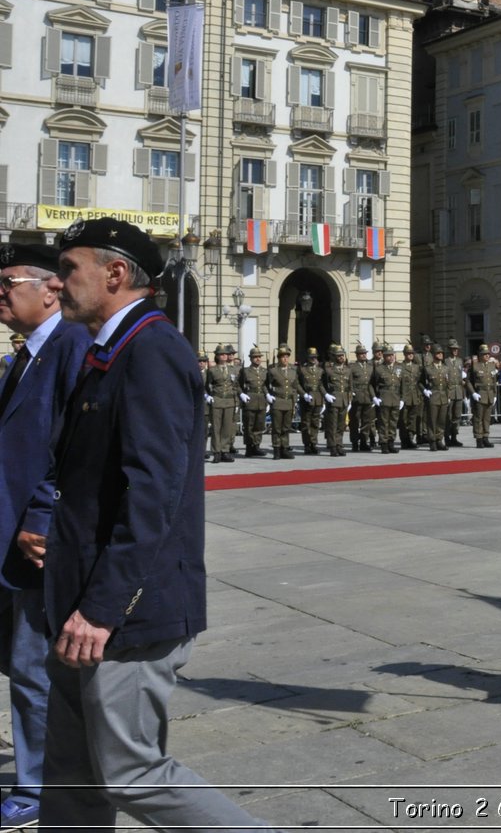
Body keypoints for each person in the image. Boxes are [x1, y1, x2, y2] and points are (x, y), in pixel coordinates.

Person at [39, 217, 271, 830]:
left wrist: (105, 607)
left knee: (129, 772)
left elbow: (153, 494)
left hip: (121, 614)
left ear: (115, 274)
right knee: (70, 771)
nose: (57, 284)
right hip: (78, 601)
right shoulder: (108, 351)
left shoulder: (152, 349)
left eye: (68, 270)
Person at [0, 243, 92, 828]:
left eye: (8, 282)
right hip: (13, 536)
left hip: (38, 543)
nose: (0, 294)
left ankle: (38, 789)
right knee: (22, 664)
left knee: (34, 669)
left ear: (49, 288)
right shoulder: (27, 354)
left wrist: (41, 518)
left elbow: (71, 448)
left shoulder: (69, 347)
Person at [204, 344, 238, 463]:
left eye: (225, 354)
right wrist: (208, 396)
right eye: (221, 354)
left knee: (227, 428)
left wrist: (237, 399)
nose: (224, 356)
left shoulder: (233, 370)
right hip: (217, 400)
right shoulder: (212, 370)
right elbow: (208, 385)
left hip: (229, 401)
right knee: (216, 428)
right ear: (217, 356)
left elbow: (236, 386)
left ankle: (225, 451)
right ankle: (216, 452)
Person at [266, 345, 299, 460]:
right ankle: (276, 449)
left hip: (288, 401)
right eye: (283, 357)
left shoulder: (293, 371)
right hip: (278, 401)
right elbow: (266, 385)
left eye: (287, 357)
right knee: (277, 428)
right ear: (279, 358)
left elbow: (295, 386)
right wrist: (268, 395)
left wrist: (295, 400)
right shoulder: (273, 371)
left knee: (286, 427)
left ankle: (284, 448)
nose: (285, 359)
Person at [321, 344, 353, 456]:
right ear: (334, 357)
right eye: (338, 356)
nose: (341, 357)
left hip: (344, 400)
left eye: (342, 355)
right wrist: (326, 395)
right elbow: (321, 385)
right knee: (332, 425)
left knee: (341, 425)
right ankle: (332, 446)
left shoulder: (348, 370)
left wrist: (350, 400)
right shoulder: (328, 370)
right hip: (333, 400)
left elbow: (350, 386)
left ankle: (339, 445)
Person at [373, 344, 405, 453]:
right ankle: (383, 443)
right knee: (383, 422)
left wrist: (402, 399)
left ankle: (391, 442)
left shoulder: (399, 368)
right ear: (384, 356)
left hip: (395, 397)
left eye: (392, 355)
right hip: (384, 397)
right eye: (388, 355)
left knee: (393, 422)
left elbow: (403, 384)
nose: (390, 357)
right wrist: (375, 397)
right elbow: (372, 384)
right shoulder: (379, 369)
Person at [239, 347, 270, 457]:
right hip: (250, 399)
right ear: (251, 358)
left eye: (259, 357)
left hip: (261, 399)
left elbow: (266, 386)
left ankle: (256, 446)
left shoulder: (264, 371)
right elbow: (238, 385)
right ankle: (249, 447)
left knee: (259, 424)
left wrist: (267, 396)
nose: (257, 359)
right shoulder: (245, 371)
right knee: (249, 425)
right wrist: (242, 395)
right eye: (255, 357)